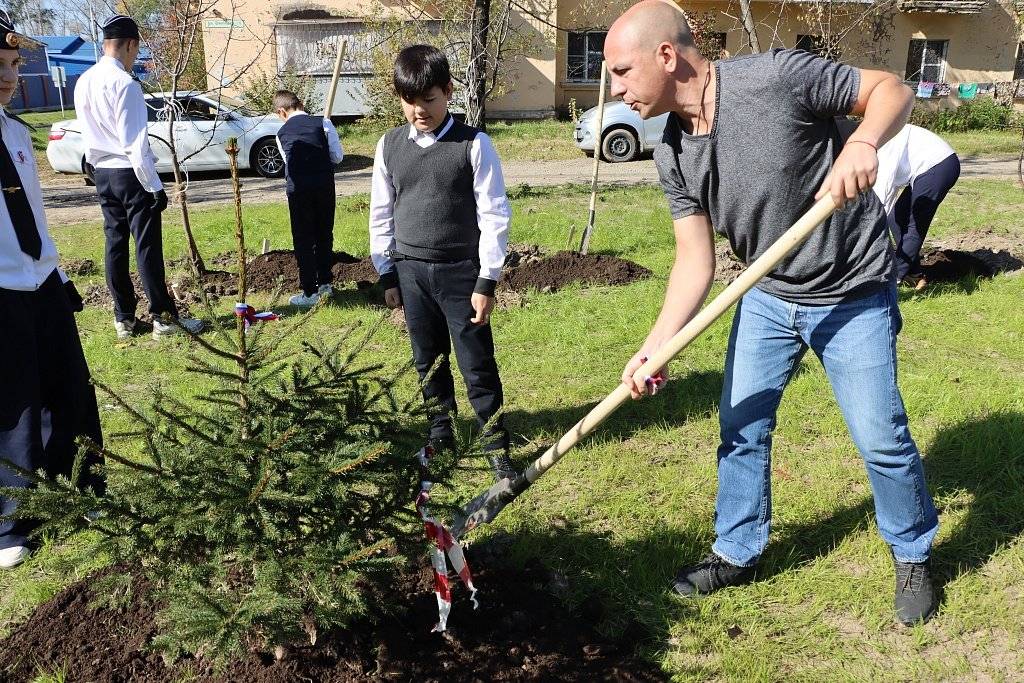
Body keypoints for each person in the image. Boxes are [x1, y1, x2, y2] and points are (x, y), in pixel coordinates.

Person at [606, 1, 939, 625]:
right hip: (767, 295)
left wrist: (863, 141)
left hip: (852, 288)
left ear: (667, 56)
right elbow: (693, 262)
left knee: (880, 439)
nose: (617, 90)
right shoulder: (673, 153)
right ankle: (737, 549)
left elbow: (890, 88)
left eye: (622, 72)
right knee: (742, 427)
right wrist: (657, 346)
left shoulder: (776, 78)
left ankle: (912, 550)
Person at [369, 45, 516, 480]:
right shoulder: (389, 146)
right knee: (427, 359)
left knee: (476, 361)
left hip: (461, 275)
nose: (419, 110)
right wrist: (386, 271)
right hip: (411, 272)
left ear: (448, 91)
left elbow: (494, 212)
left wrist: (487, 280)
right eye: (409, 101)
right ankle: (440, 434)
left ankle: (494, 441)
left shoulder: (473, 144)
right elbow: (382, 210)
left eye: (429, 100)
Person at [0, 13, 104, 568]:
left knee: (69, 388)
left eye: (14, 65)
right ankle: (11, 520)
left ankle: (80, 490)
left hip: (40, 279)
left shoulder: (16, 132)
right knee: (14, 402)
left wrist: (57, 273)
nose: (9, 76)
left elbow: (33, 214)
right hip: (1, 289)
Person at [74, 15, 203, 340]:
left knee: (114, 244)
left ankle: (125, 319)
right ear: (130, 44)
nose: (135, 58)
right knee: (147, 248)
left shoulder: (83, 81)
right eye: (136, 51)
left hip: (101, 172)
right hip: (130, 174)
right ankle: (163, 319)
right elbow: (134, 144)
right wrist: (154, 186)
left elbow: (86, 132)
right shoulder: (124, 84)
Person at [839, 120, 960, 289]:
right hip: (925, 169)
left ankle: (892, 279)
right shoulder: (871, 140)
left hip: (939, 165)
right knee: (895, 219)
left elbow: (882, 196)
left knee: (915, 225)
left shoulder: (882, 141)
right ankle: (915, 273)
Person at [272, 90, 344, 307]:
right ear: (301, 104)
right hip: (324, 187)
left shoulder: (281, 133)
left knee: (303, 239)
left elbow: (288, 164)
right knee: (324, 234)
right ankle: (325, 284)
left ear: (281, 112)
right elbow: (337, 157)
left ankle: (310, 293)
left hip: (299, 191)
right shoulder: (324, 124)